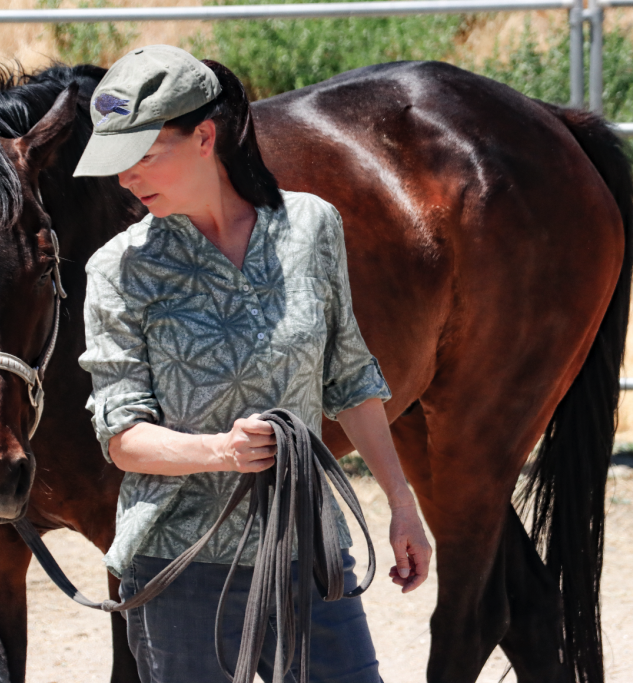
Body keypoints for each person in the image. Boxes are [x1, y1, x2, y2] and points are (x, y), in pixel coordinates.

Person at [74, 45, 432, 683]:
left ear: (204, 136)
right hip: (178, 567)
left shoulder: (312, 228)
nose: (126, 179)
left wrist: (403, 504)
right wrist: (221, 451)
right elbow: (123, 436)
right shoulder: (119, 269)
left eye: (143, 156)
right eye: (117, 163)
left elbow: (348, 377)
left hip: (309, 556)